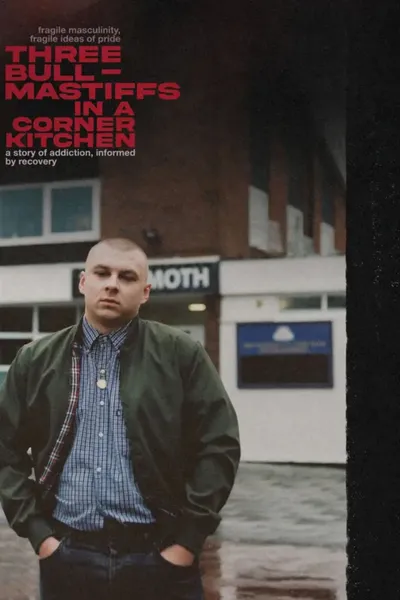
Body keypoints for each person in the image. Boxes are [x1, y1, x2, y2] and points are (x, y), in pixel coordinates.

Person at [0, 238, 241, 600]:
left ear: (145, 292)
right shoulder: (35, 360)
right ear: (83, 282)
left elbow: (218, 445)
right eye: (102, 273)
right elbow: (6, 449)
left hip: (160, 557)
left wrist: (186, 543)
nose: (112, 283)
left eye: (127, 277)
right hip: (67, 558)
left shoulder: (181, 354)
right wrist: (41, 537)